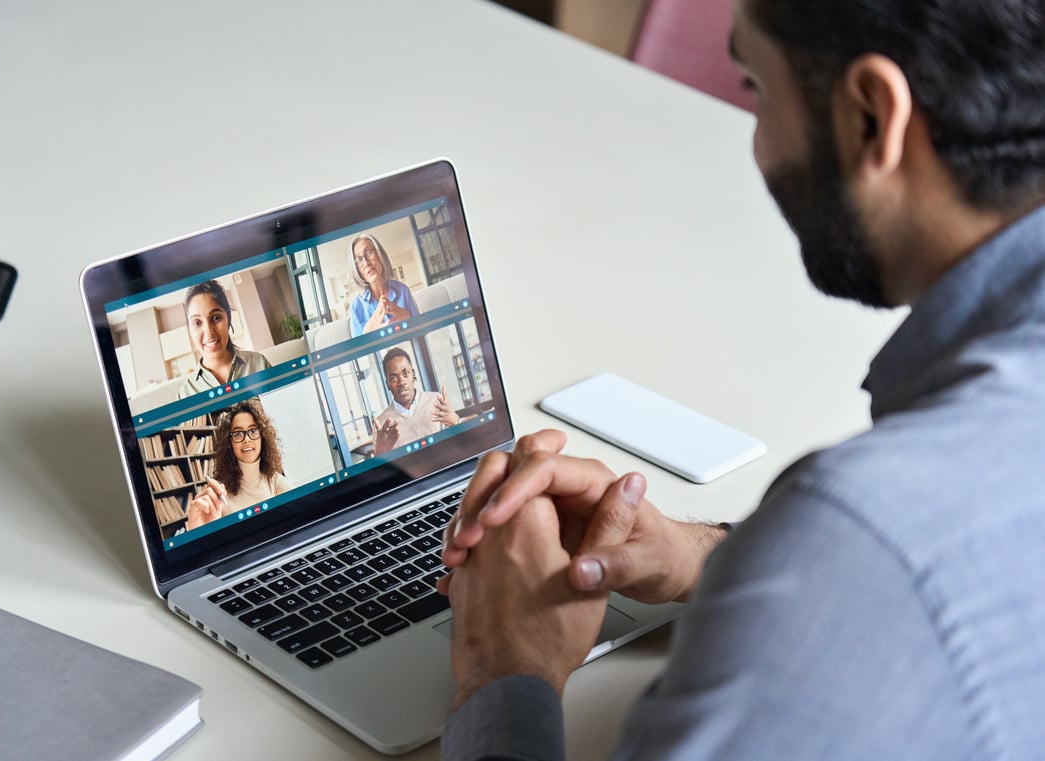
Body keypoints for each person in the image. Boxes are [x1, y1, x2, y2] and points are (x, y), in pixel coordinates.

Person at [439, 0, 1045, 758]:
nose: (754, 145)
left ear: (870, 117)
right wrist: (723, 558)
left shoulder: (864, 537)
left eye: (754, 87)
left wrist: (504, 666)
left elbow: (891, 562)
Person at [184, 400, 291, 530]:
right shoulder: (218, 493)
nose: (246, 439)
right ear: (230, 443)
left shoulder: (275, 480)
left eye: (253, 431)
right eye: (238, 433)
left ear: (262, 437)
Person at [178, 279, 271, 398]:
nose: (209, 332)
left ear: (229, 319)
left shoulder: (259, 364)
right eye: (197, 322)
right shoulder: (186, 392)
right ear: (190, 330)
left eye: (216, 318)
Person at [372, 347, 459, 455]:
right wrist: (380, 454)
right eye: (394, 378)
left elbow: (461, 443)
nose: (401, 382)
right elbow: (381, 469)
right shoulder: (381, 424)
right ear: (387, 384)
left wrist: (456, 422)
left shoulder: (436, 401)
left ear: (413, 374)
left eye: (405, 374)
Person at [347, 233, 420, 336]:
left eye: (368, 252)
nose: (366, 263)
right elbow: (360, 351)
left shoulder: (402, 290)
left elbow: (422, 333)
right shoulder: (356, 307)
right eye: (358, 260)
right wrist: (368, 332)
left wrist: (408, 317)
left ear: (380, 254)